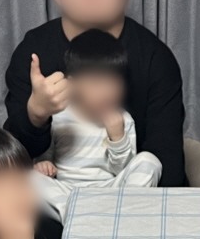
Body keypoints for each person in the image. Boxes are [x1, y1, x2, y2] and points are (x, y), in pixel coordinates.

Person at [4, 0, 185, 196]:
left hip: (132, 198)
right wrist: (36, 114)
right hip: (56, 198)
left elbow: (166, 159)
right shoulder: (34, 53)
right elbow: (14, 157)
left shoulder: (155, 58)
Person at [31, 28, 162, 221]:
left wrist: (117, 138)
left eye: (113, 83)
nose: (107, 92)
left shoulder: (124, 119)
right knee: (28, 178)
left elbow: (124, 170)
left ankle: (125, 212)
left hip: (112, 192)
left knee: (149, 160)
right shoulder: (59, 117)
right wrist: (44, 165)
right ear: (73, 85)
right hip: (69, 192)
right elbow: (45, 156)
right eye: (96, 83)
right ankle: (74, 215)